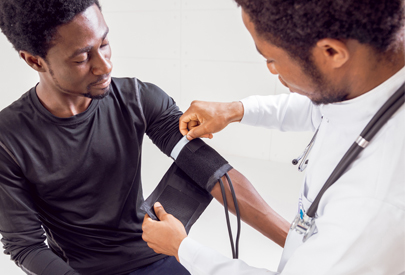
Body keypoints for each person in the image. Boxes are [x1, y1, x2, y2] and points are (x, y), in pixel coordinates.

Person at [0, 1, 290, 274]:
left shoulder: (138, 99)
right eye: (82, 57)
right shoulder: (8, 138)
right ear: (34, 61)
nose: (105, 66)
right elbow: (25, 246)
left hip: (154, 251)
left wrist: (295, 242)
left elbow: (213, 172)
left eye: (104, 44)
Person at [141, 0, 405, 274]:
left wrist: (183, 248)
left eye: (271, 58)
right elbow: (322, 108)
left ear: (331, 52)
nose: (270, 69)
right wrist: (236, 110)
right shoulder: (371, 78)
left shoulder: (376, 203)